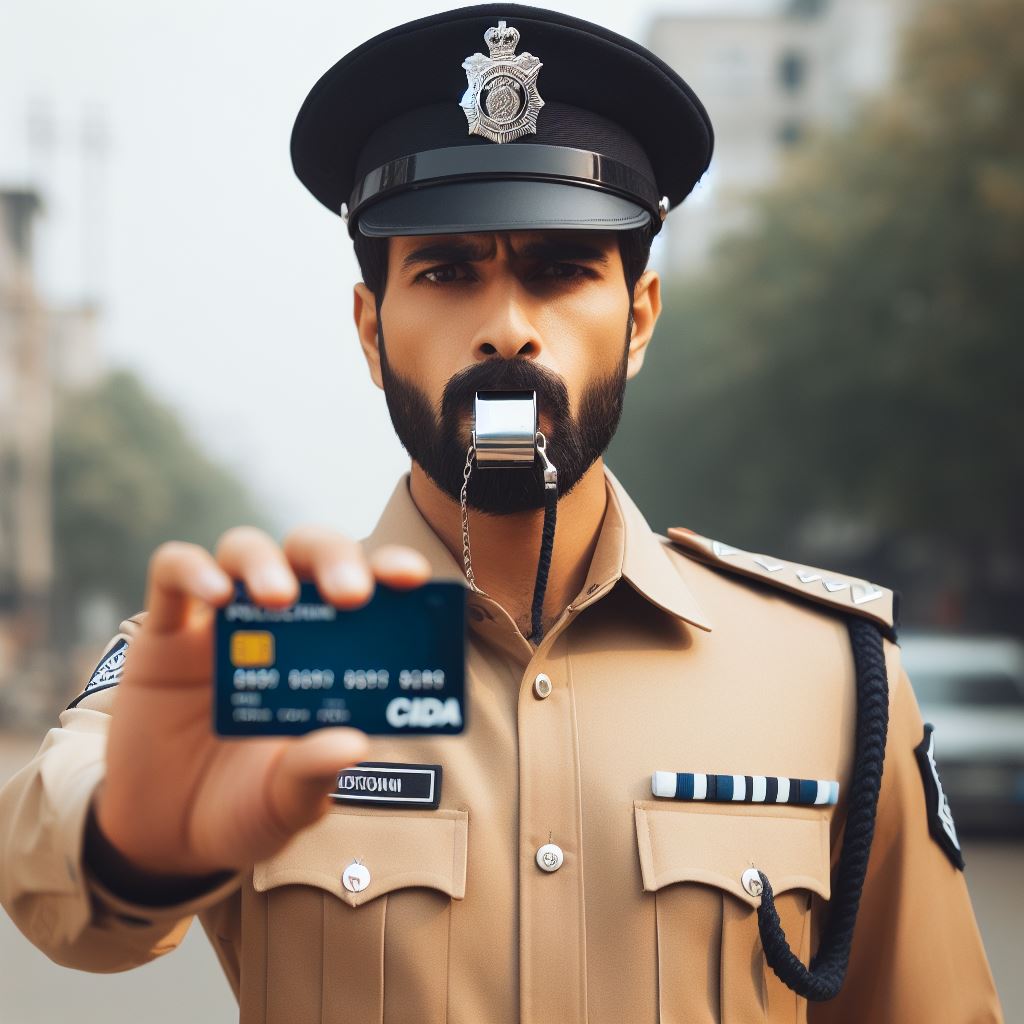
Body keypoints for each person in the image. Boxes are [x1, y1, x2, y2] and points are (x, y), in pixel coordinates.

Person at [0, 5, 1003, 1022]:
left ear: (640, 318)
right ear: (370, 329)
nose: (508, 328)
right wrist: (133, 844)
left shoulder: (834, 673)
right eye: (445, 271)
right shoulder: (258, 654)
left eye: (561, 269)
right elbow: (52, 858)